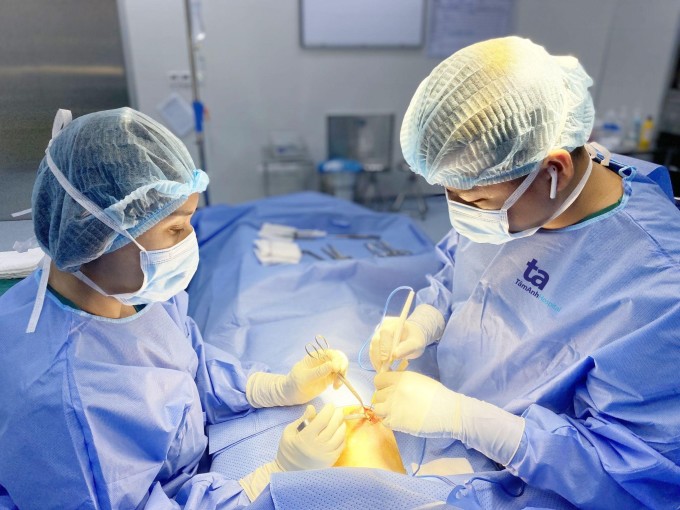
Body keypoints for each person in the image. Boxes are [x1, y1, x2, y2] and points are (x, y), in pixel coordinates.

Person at [370, 37, 680, 509]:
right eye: (450, 196)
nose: (462, 215)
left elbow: (638, 476)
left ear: (552, 169)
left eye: (475, 202)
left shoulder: (658, 290)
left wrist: (469, 421)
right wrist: (425, 321)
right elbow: (462, 268)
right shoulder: (516, 190)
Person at [0, 108, 348, 509]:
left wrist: (269, 387)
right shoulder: (64, 406)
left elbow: (183, 364)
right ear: (100, 230)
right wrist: (270, 480)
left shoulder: (129, 291)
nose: (189, 243)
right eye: (176, 229)